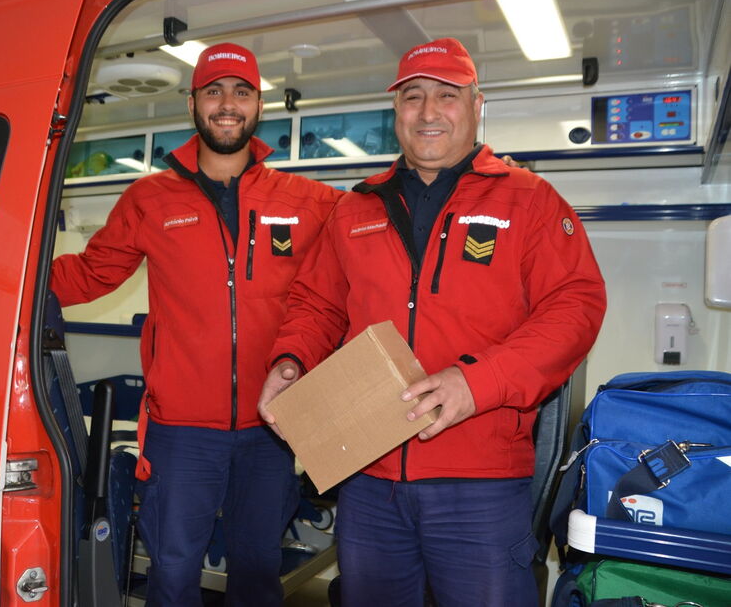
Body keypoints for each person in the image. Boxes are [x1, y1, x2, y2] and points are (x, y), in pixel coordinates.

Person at [258, 37, 606, 607]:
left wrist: (477, 382)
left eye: (447, 95)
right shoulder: (356, 208)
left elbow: (575, 309)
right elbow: (316, 305)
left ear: (476, 104)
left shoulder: (529, 202)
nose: (427, 112)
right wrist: (293, 359)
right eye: (413, 97)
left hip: (480, 484)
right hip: (368, 478)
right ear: (395, 112)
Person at [50, 43, 340, 606]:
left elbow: (372, 223)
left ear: (260, 105)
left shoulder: (309, 201)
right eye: (214, 91)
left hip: (272, 426)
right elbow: (91, 274)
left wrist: (462, 174)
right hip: (181, 432)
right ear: (193, 104)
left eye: (241, 91)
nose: (227, 104)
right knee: (175, 570)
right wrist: (10, 280)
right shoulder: (149, 199)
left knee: (258, 572)